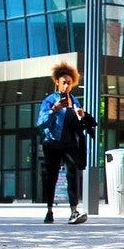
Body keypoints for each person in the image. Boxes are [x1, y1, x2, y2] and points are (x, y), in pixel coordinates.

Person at [36, 61, 95, 225]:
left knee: (72, 175)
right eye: (64, 82)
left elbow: (80, 124)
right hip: (52, 143)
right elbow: (40, 123)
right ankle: (49, 210)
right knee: (51, 177)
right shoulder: (49, 101)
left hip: (70, 144)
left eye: (69, 83)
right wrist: (54, 110)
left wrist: (82, 116)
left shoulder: (75, 101)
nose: (67, 86)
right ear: (57, 82)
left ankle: (73, 211)